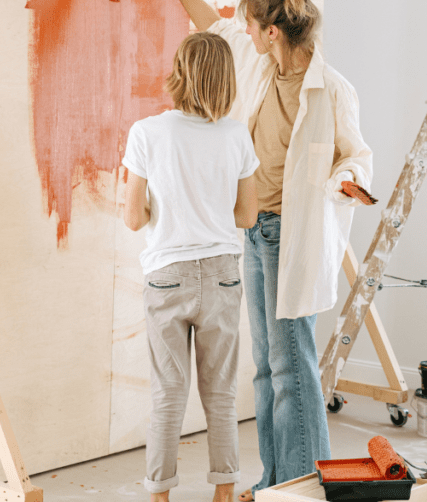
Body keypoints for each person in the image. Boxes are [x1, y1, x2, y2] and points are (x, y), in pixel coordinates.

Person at [134, 0, 374, 500]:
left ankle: (303, 484)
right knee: (266, 369)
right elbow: (213, 27)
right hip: (254, 232)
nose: (241, 29)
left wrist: (348, 179)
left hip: (296, 235)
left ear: (272, 30)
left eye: (250, 22)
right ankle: (274, 481)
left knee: (292, 363)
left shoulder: (331, 89)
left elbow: (356, 154)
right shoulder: (257, 60)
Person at [122, 31, 260, 502]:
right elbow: (247, 216)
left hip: (167, 275)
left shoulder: (146, 132)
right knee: (220, 393)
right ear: (227, 79)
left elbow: (132, 216)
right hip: (222, 271)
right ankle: (224, 493)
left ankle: (160, 495)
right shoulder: (237, 133)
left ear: (179, 73)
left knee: (169, 392)